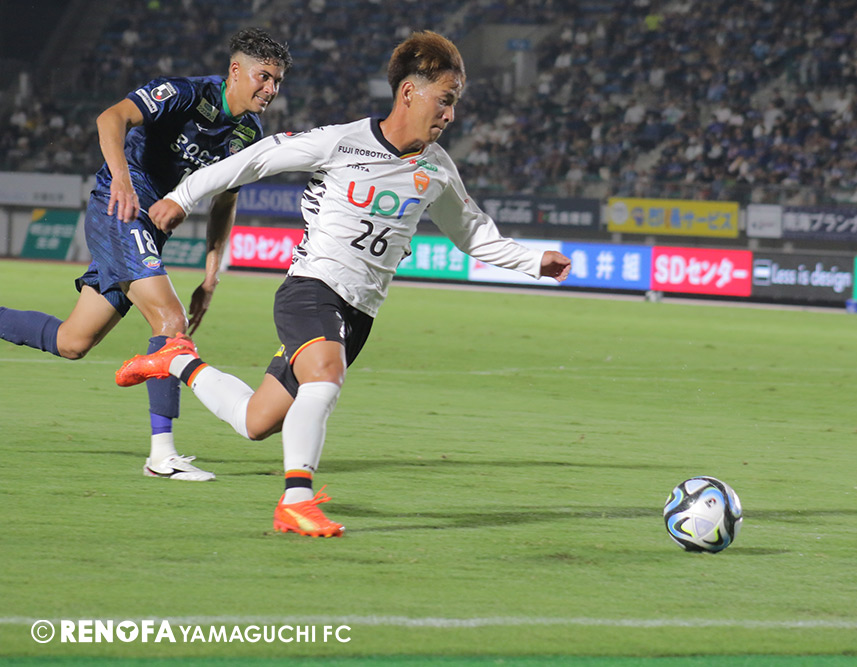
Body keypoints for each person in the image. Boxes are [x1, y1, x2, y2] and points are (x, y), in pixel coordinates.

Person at [114, 30, 572, 536]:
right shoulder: (341, 141)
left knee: (255, 422)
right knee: (325, 376)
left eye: (455, 103)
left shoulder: (437, 169)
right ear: (409, 92)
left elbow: (472, 233)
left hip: (359, 313)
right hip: (312, 289)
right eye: (445, 99)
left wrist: (534, 261)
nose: (450, 114)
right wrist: (182, 196)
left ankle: (174, 359)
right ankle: (296, 500)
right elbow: (254, 158)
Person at [0, 29, 291, 481]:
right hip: (119, 208)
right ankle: (162, 456)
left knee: (72, 342)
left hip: (147, 229)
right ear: (236, 70)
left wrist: (211, 277)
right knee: (170, 321)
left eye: (277, 81)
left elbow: (224, 202)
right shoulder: (185, 93)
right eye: (264, 76)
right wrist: (121, 179)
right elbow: (110, 117)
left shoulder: (248, 133)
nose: (271, 89)